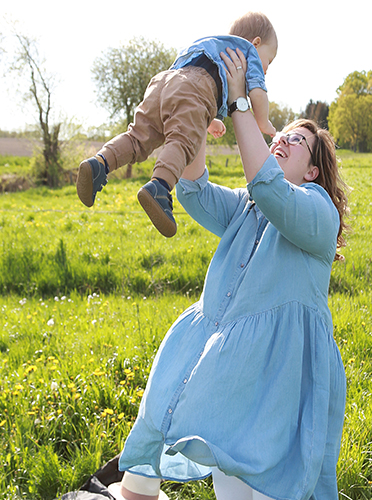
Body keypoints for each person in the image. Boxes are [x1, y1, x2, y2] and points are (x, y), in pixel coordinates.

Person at [107, 47, 350, 500]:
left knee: (273, 483)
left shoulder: (318, 211)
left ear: (313, 171)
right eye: (281, 135)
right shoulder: (248, 206)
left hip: (282, 375)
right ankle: (138, 488)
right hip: (235, 370)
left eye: (296, 141)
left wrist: (240, 103)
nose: (282, 141)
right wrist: (199, 119)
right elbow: (195, 190)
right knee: (228, 474)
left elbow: (271, 188)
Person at [76, 11, 277, 238]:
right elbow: (257, 92)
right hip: (195, 88)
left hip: (164, 82)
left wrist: (208, 119)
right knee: (182, 140)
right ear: (256, 42)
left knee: (137, 137)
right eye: (269, 60)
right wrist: (264, 122)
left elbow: (188, 87)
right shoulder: (247, 51)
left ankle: (100, 163)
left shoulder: (210, 43)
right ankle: (160, 187)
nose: (266, 69)